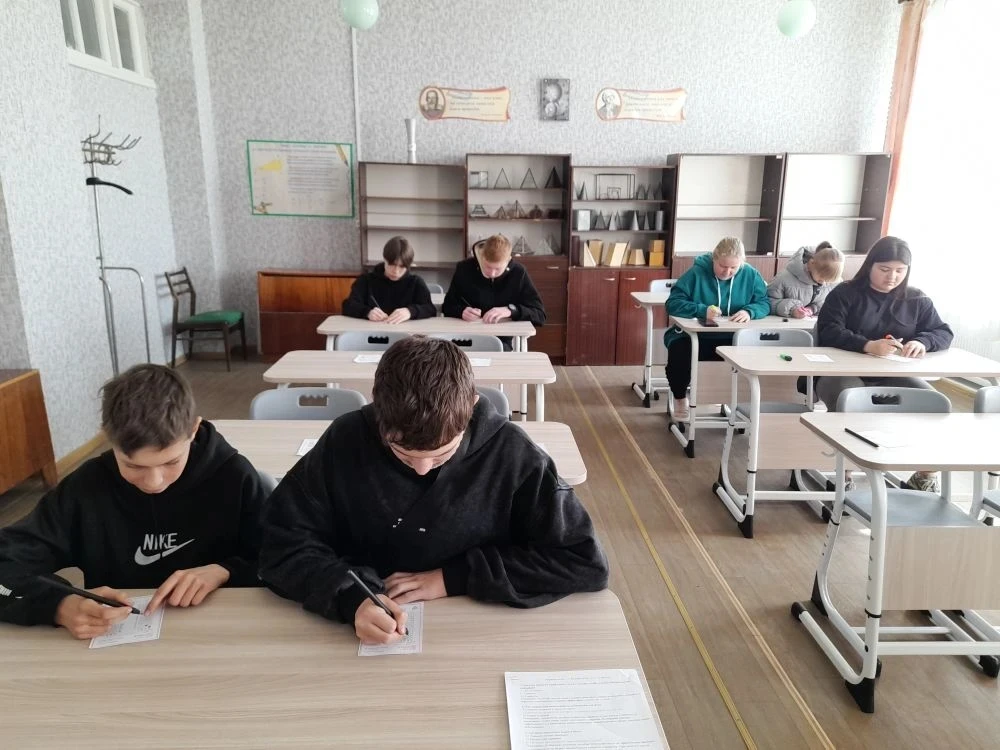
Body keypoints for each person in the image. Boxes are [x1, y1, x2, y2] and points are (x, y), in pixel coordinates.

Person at [258, 337, 609, 645]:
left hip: (476, 630)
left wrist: (455, 578)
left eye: (441, 455)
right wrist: (350, 597)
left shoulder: (513, 454)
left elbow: (582, 561)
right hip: (359, 626)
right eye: (403, 454)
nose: (423, 469)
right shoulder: (345, 439)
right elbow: (281, 541)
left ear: (471, 406)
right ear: (378, 408)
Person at [0, 365, 267, 639]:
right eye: (134, 466)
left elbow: (281, 556)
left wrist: (225, 571)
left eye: (171, 462)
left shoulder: (234, 477)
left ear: (194, 429)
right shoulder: (86, 489)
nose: (154, 482)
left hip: (221, 635)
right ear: (108, 437)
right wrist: (58, 605)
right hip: (117, 642)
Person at [816, 236, 953, 492]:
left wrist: (923, 341)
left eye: (900, 270)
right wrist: (867, 345)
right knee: (850, 399)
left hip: (891, 375)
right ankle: (844, 473)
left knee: (935, 404)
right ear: (870, 265)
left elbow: (943, 332)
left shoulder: (916, 299)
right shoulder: (845, 293)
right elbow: (828, 330)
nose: (892, 277)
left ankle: (924, 476)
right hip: (840, 373)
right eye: (885, 269)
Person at [663, 237, 769, 422]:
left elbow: (764, 302)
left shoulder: (751, 275)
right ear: (714, 259)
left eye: (734, 267)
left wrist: (749, 311)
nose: (727, 272)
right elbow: (673, 303)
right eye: (722, 266)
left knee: (755, 354)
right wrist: (702, 310)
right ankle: (680, 398)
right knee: (680, 351)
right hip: (695, 336)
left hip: (734, 337)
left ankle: (741, 401)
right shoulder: (696, 273)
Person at [441, 235, 546, 348]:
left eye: (497, 269)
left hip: (501, 340)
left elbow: (539, 315)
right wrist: (461, 311)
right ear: (482, 257)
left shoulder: (519, 273)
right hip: (465, 338)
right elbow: (447, 307)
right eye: (487, 267)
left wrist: (511, 310)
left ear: (508, 261)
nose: (492, 273)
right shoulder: (464, 268)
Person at [342, 236, 436, 323]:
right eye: (392, 264)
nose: (396, 271)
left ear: (408, 265)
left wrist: (410, 311)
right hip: (372, 332)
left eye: (402, 266)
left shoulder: (416, 282)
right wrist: (367, 312)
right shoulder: (365, 280)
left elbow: (430, 309)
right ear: (384, 259)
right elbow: (348, 306)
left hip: (407, 333)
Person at [767, 242, 844, 318]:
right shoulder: (784, 278)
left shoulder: (835, 283)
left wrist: (812, 309)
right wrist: (792, 310)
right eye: (821, 279)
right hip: (785, 322)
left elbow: (834, 304)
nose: (823, 283)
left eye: (828, 281)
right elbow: (768, 302)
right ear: (811, 263)